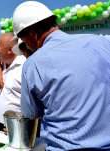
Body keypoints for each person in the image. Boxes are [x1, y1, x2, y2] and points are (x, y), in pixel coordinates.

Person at [12, 1, 110, 150]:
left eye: (25, 41)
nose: (27, 46)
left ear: (33, 34)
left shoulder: (33, 64)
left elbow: (31, 114)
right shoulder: (102, 42)